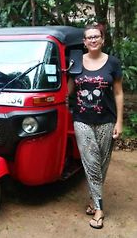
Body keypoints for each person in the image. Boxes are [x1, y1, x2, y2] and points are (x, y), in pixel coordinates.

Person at [68, 23, 123, 229]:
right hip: (82, 119)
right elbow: (69, 90)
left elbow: (118, 93)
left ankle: (93, 200)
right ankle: (99, 210)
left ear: (102, 40)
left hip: (107, 120)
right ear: (84, 42)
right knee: (91, 163)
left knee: (102, 164)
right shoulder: (75, 62)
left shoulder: (113, 63)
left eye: (96, 37)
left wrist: (119, 121)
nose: (93, 40)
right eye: (89, 37)